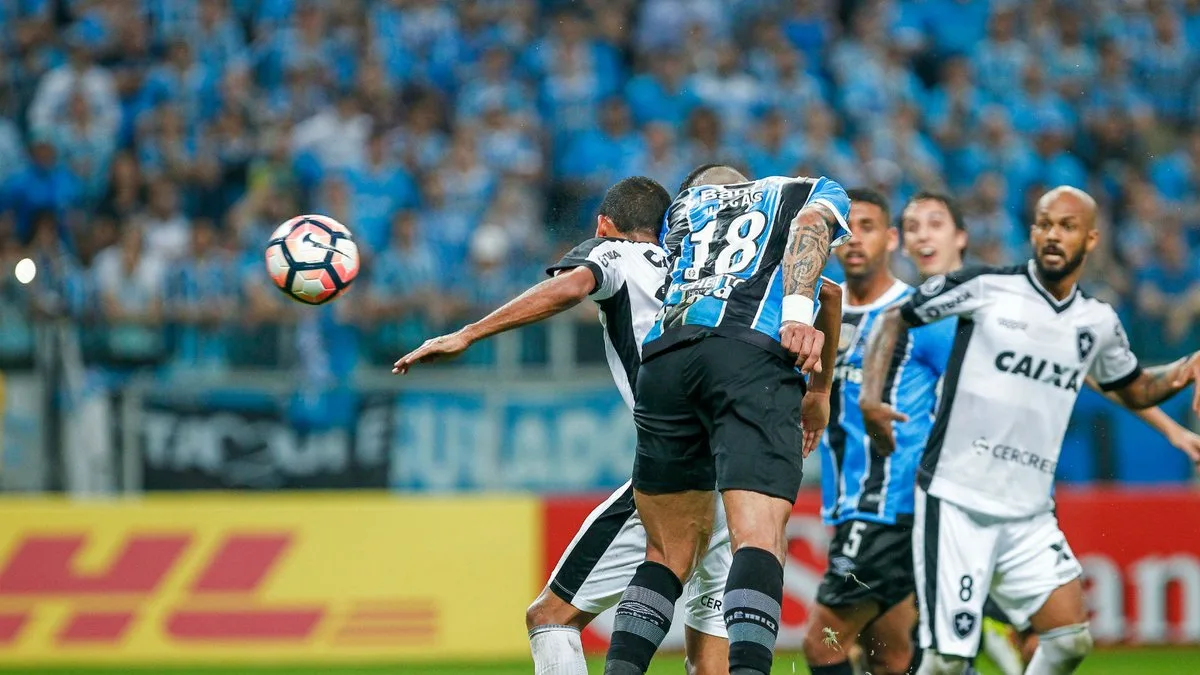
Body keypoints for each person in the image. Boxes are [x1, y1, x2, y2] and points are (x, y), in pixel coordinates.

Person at [393, 176, 845, 675]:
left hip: (678, 434)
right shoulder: (742, 261)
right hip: (738, 438)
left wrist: (467, 333)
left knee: (552, 615)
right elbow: (826, 292)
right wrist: (820, 393)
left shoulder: (619, 254)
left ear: (606, 225)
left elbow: (570, 285)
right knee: (711, 650)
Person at [807, 190, 1200, 675]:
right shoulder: (965, 297)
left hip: (981, 507)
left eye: (1067, 226)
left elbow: (1114, 379)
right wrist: (857, 398)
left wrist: (1176, 397)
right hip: (916, 501)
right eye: (1044, 224)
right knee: (917, 655)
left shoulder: (1068, 319)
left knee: (1061, 640)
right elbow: (895, 320)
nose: (1054, 234)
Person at [603, 165, 851, 675]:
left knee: (666, 553)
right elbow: (814, 251)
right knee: (758, 536)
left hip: (666, 363)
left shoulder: (682, 213)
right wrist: (802, 335)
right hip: (748, 357)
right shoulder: (798, 191)